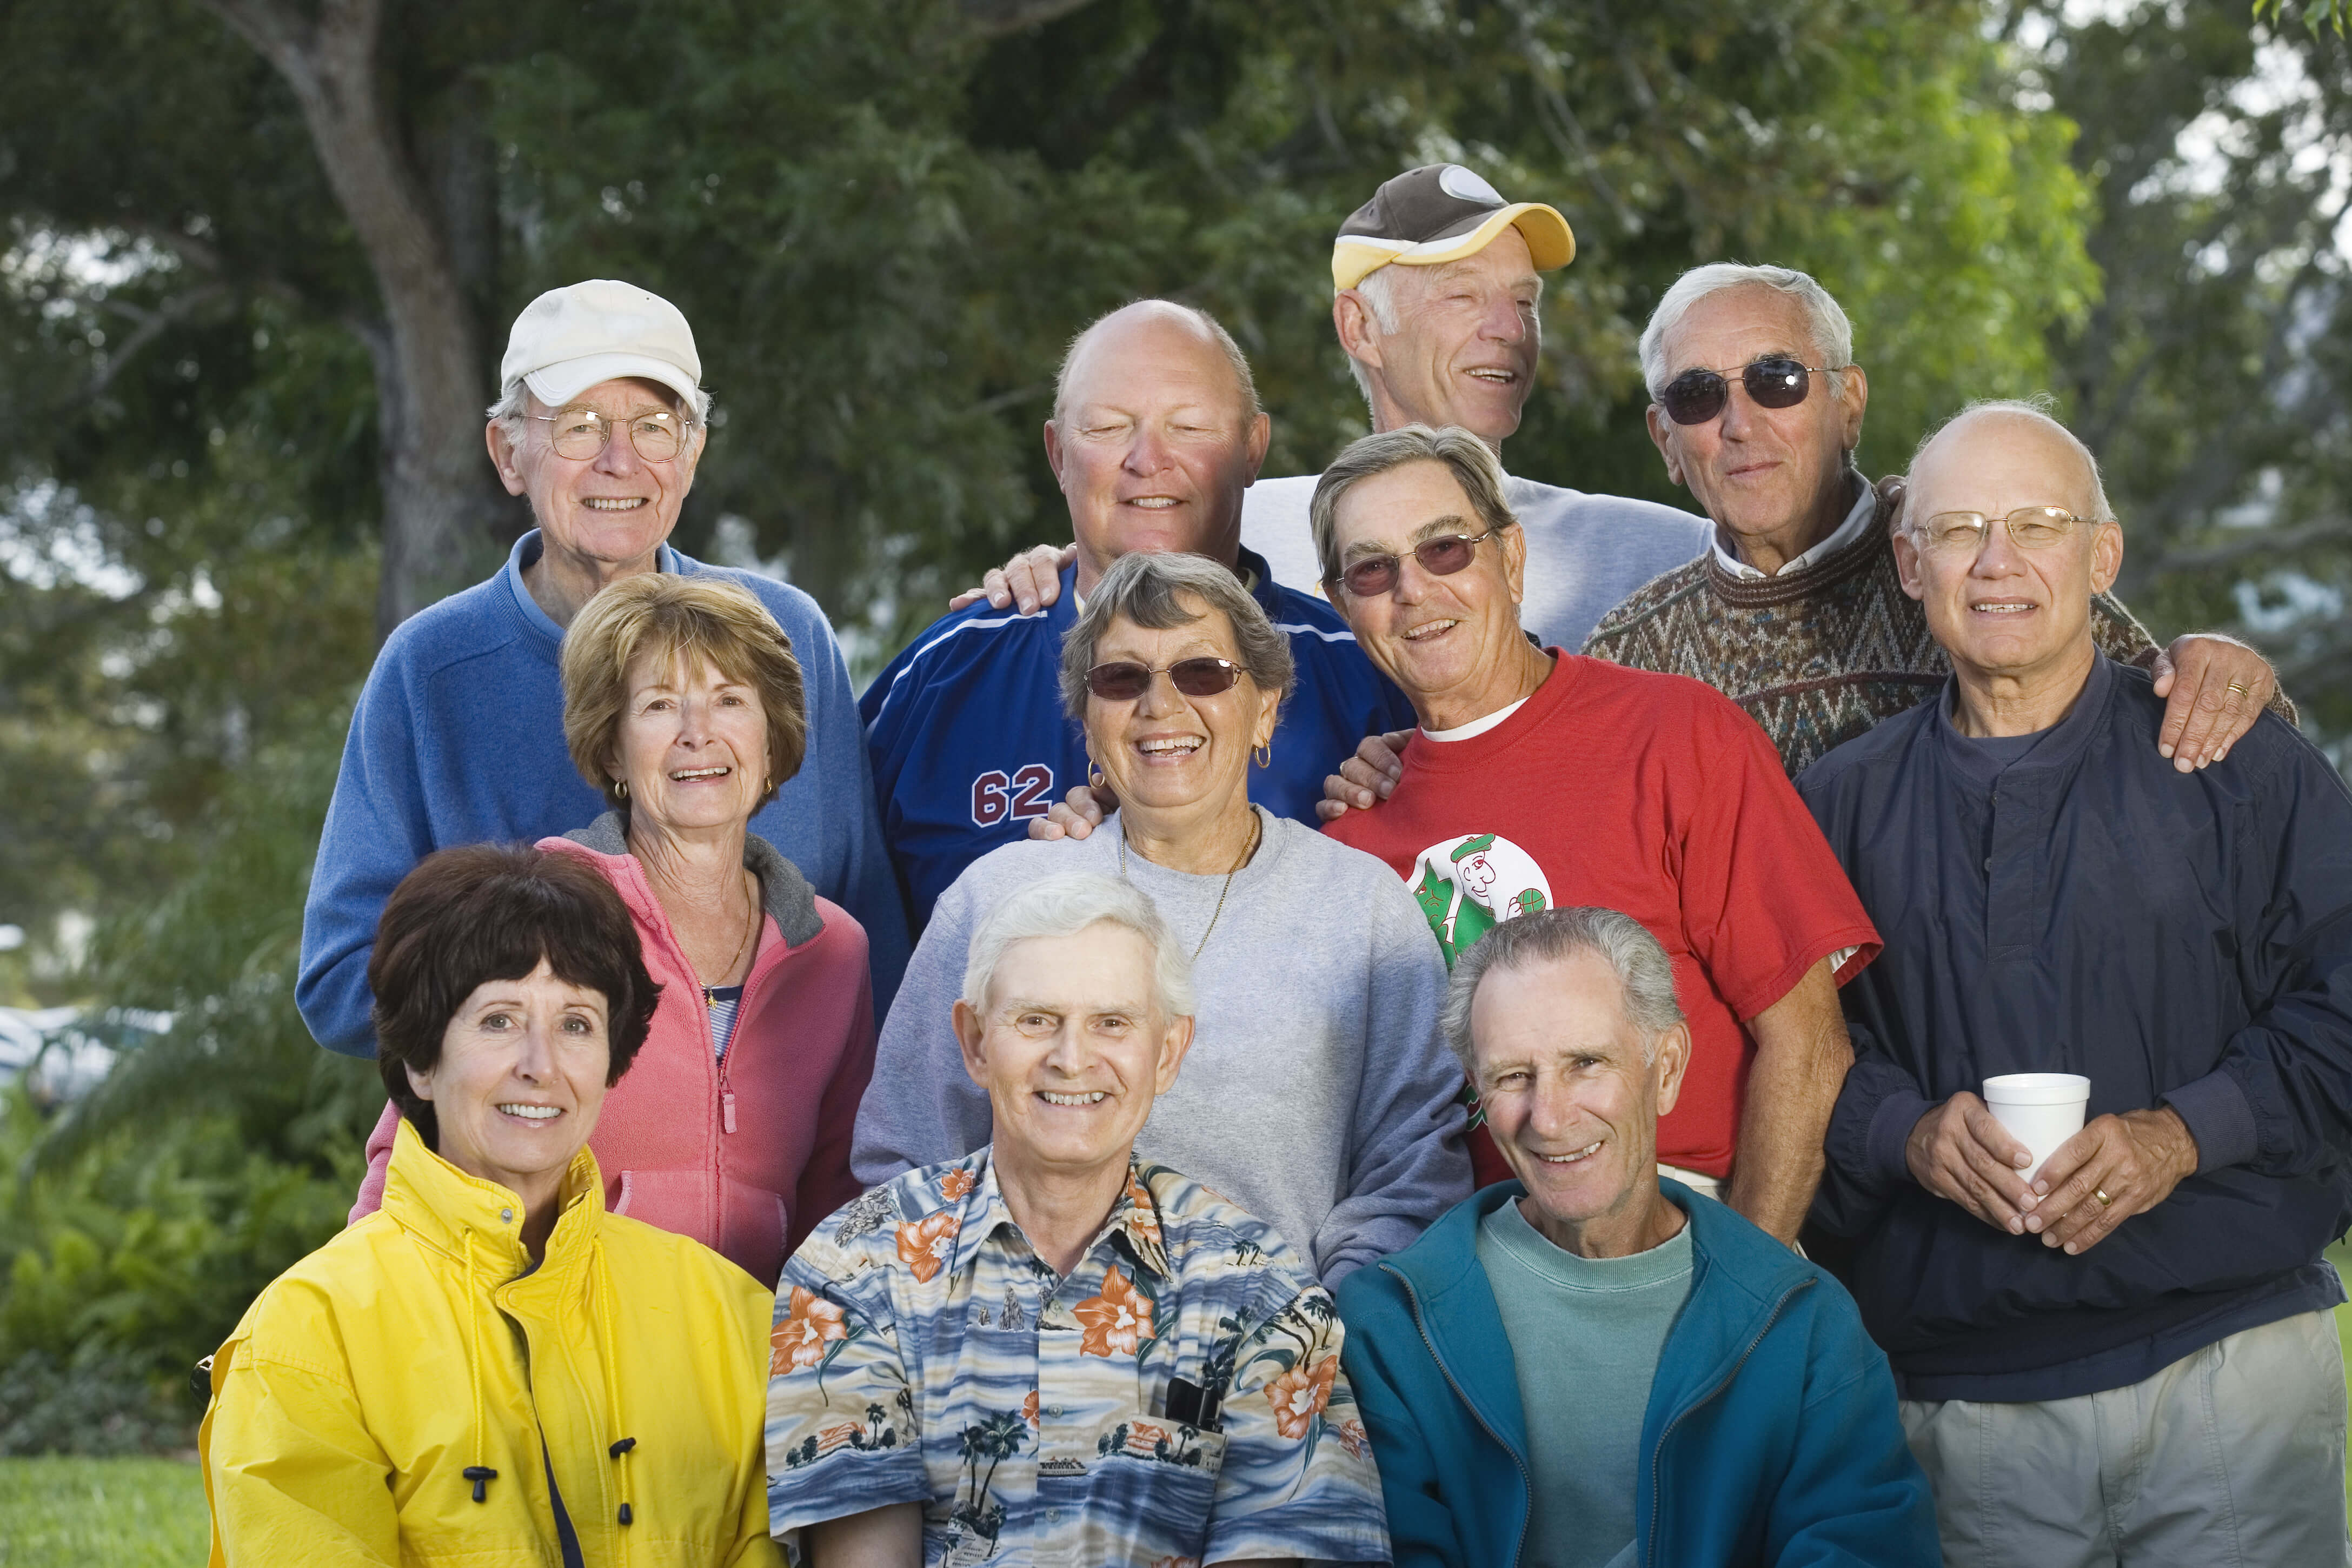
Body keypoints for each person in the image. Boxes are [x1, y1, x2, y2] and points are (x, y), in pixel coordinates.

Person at [1799, 402, 2352, 1565]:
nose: (1998, 562)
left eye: (2037, 525)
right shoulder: (1837, 805)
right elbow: (1788, 1049)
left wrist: (2182, 1135)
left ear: (2102, 557)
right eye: (1958, 532)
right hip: (1962, 1406)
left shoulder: (2233, 761)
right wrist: (1903, 1132)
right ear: (1910, 564)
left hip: (2230, 1371)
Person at [298, 278, 910, 1061]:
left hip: (785, 1172)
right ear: (508, 454)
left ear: (690, 455)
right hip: (530, 1171)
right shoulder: (431, 671)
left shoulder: (784, 637)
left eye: (655, 427)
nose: (620, 462)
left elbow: (874, 961)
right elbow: (342, 981)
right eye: (579, 427)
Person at [1314, 424, 1880, 1245]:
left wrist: (1742, 1294)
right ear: (1343, 605)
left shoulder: (1676, 736)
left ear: (1510, 560)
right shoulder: (1354, 839)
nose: (1411, 590)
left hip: (1693, 1221)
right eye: (1372, 569)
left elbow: (1809, 1046)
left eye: (1443, 550)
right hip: (1468, 1254)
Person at [855, 549, 1469, 1282]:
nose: (1159, 706)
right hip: (1015, 1350)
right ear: (1086, 720)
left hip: (1278, 1359)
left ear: (1266, 706)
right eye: (1120, 680)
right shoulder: (996, 899)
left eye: (1200, 673)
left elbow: (1411, 1178)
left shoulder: (1362, 910)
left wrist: (1311, 1336)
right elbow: (903, 1157)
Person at [767, 873, 1390, 1567]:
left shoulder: (1260, 1288)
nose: (1071, 1057)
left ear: (1168, 1052)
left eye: (1112, 1022)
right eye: (1036, 1019)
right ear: (975, 1042)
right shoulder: (855, 1266)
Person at [201, 844, 779, 1566]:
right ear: (420, 1057)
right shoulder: (308, 1337)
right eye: (499, 1020)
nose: (539, 1065)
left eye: (576, 1024)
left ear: (611, 1062)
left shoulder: (733, 1317)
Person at [1337, 908, 1938, 1567]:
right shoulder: (1390, 1325)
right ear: (1476, 1086)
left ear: (1668, 1067)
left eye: (1587, 1062)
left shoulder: (1808, 1321)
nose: (1552, 1115)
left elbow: (1868, 1547)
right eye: (1513, 1076)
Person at [347, 574, 875, 1287]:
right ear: (612, 748)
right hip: (548, 1355)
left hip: (748, 1370)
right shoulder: (528, 912)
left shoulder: (831, 952)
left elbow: (837, 1201)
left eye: (729, 701)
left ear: (772, 740)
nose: (698, 734)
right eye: (660, 705)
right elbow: (406, 1163)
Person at [957, 165, 1711, 653]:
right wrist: (1036, 578)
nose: (1509, 331)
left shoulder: (1647, 552)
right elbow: (1103, 575)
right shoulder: (1240, 528)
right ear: (1359, 328)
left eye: (1524, 302)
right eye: (1462, 297)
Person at [1573, 262, 2287, 776]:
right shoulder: (1628, 654)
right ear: (1665, 439)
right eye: (1697, 396)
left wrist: (2217, 674)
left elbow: (2198, 735)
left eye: (1776, 380)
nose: (1738, 424)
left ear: (1847, 404)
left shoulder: (1970, 559)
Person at [860, 298, 1414, 928]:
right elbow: (834, 942)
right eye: (1106, 427)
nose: (1148, 459)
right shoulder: (939, 680)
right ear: (1057, 453)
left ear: (1253, 448)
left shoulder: (1371, 673)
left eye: (1189, 426)